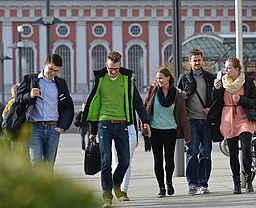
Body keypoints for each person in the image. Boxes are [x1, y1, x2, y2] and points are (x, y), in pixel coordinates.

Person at [82, 51, 150, 208]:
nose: (112, 71)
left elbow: (137, 102)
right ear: (107, 65)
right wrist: (92, 130)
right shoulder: (100, 79)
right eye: (109, 68)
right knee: (106, 161)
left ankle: (116, 184)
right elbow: (95, 104)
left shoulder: (126, 79)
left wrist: (144, 120)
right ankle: (107, 195)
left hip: (122, 124)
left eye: (115, 68)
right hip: (104, 123)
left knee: (125, 160)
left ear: (120, 66)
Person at [210, 57, 256, 194]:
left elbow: (255, 101)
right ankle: (236, 182)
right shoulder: (223, 82)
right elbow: (214, 100)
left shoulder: (247, 81)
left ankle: (248, 179)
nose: (226, 70)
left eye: (229, 67)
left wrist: (241, 99)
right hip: (228, 117)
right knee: (233, 152)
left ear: (237, 69)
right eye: (225, 67)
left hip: (244, 117)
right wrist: (215, 88)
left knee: (246, 146)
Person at [16, 54, 74, 168]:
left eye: (56, 71)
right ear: (45, 65)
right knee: (35, 163)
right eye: (51, 69)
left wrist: (62, 126)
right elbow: (18, 99)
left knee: (49, 165)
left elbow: (68, 106)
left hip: (53, 129)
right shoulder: (30, 79)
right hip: (34, 128)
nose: (53, 73)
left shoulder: (61, 83)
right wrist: (29, 95)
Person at [144, 67, 191, 197]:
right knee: (158, 159)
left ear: (168, 78)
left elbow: (182, 114)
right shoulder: (153, 91)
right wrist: (144, 125)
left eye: (161, 78)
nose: (158, 80)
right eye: (157, 78)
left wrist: (187, 135)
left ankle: (169, 181)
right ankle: (161, 187)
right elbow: (145, 108)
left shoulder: (177, 94)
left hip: (170, 129)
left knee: (169, 159)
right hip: (155, 130)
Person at [177, 49, 215, 195]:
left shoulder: (209, 78)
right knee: (192, 152)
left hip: (206, 121)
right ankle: (192, 183)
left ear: (202, 60)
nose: (197, 62)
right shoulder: (184, 78)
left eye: (199, 60)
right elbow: (178, 99)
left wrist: (210, 109)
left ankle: (203, 183)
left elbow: (216, 98)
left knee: (205, 153)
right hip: (190, 120)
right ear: (190, 62)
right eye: (194, 60)